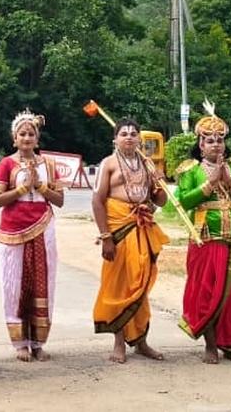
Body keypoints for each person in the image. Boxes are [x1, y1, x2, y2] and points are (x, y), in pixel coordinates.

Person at [175, 101, 231, 365]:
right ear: (200, 144)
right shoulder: (190, 170)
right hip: (206, 237)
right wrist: (210, 183)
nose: (215, 145)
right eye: (209, 141)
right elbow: (184, 201)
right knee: (208, 292)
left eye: (219, 140)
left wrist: (230, 182)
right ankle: (210, 345)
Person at [91, 117, 169, 363]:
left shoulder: (147, 164)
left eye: (133, 134)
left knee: (141, 284)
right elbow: (97, 200)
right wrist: (106, 237)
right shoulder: (108, 163)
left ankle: (141, 341)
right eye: (123, 134)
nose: (129, 137)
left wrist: (160, 184)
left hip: (143, 228)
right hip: (118, 230)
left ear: (139, 139)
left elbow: (161, 201)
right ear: (115, 139)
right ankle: (119, 343)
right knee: (120, 286)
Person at [0, 109, 64, 362]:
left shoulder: (49, 165)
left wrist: (40, 186)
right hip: (13, 231)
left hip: (43, 227)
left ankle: (38, 343)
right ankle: (20, 343)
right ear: (14, 139)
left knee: (43, 284)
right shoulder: (6, 164)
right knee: (14, 285)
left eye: (31, 134)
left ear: (37, 138)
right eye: (22, 134)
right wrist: (23, 189)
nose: (26, 138)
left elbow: (60, 200)